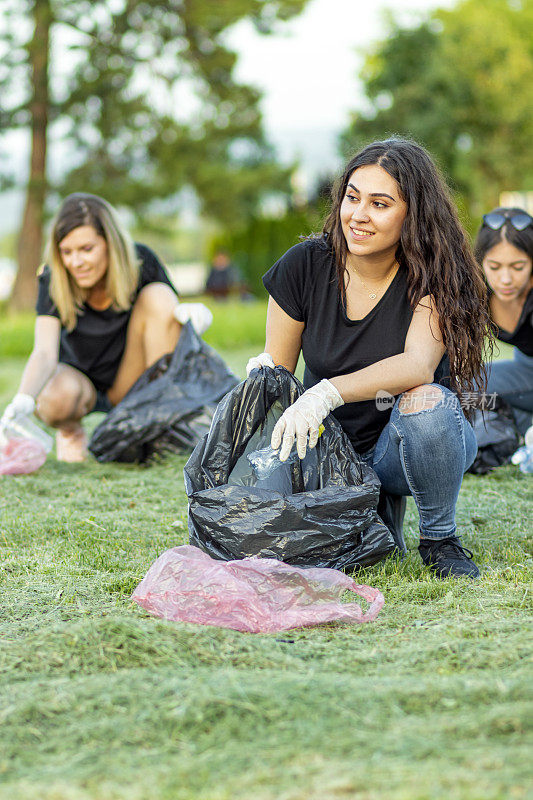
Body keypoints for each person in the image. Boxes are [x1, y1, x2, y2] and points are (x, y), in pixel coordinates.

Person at [247, 138, 492, 579]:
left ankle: (440, 539)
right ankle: (366, 503)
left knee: (427, 401)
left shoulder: (434, 274)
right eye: (352, 197)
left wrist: (326, 392)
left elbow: (417, 365)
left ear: (412, 214)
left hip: (407, 446)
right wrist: (264, 377)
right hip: (328, 447)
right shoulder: (305, 264)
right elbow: (280, 376)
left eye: (379, 204)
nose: (358, 215)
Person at [1, 193, 213, 462]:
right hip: (78, 384)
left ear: (109, 244)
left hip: (130, 381)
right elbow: (44, 352)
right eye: (67, 252)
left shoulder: (141, 261)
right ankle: (70, 431)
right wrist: (23, 398)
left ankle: (155, 425)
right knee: (54, 396)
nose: (76, 262)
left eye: (86, 249)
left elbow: (166, 321)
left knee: (158, 295)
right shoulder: (53, 278)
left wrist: (187, 320)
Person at [474, 207, 533, 440]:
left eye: (518, 267)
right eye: (495, 267)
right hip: (523, 366)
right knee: (457, 386)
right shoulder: (477, 291)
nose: (506, 279)